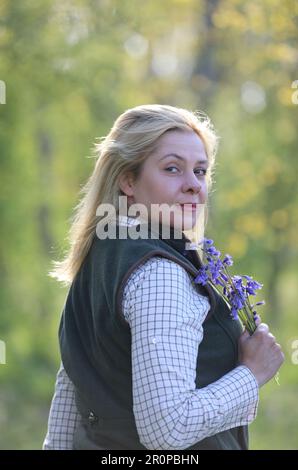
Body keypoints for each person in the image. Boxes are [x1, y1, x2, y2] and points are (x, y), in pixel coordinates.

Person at [43, 104, 284, 450]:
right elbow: (169, 429)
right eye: (173, 169)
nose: (193, 186)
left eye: (201, 172)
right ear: (128, 179)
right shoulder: (159, 273)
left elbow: (69, 403)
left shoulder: (99, 257)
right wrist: (253, 373)